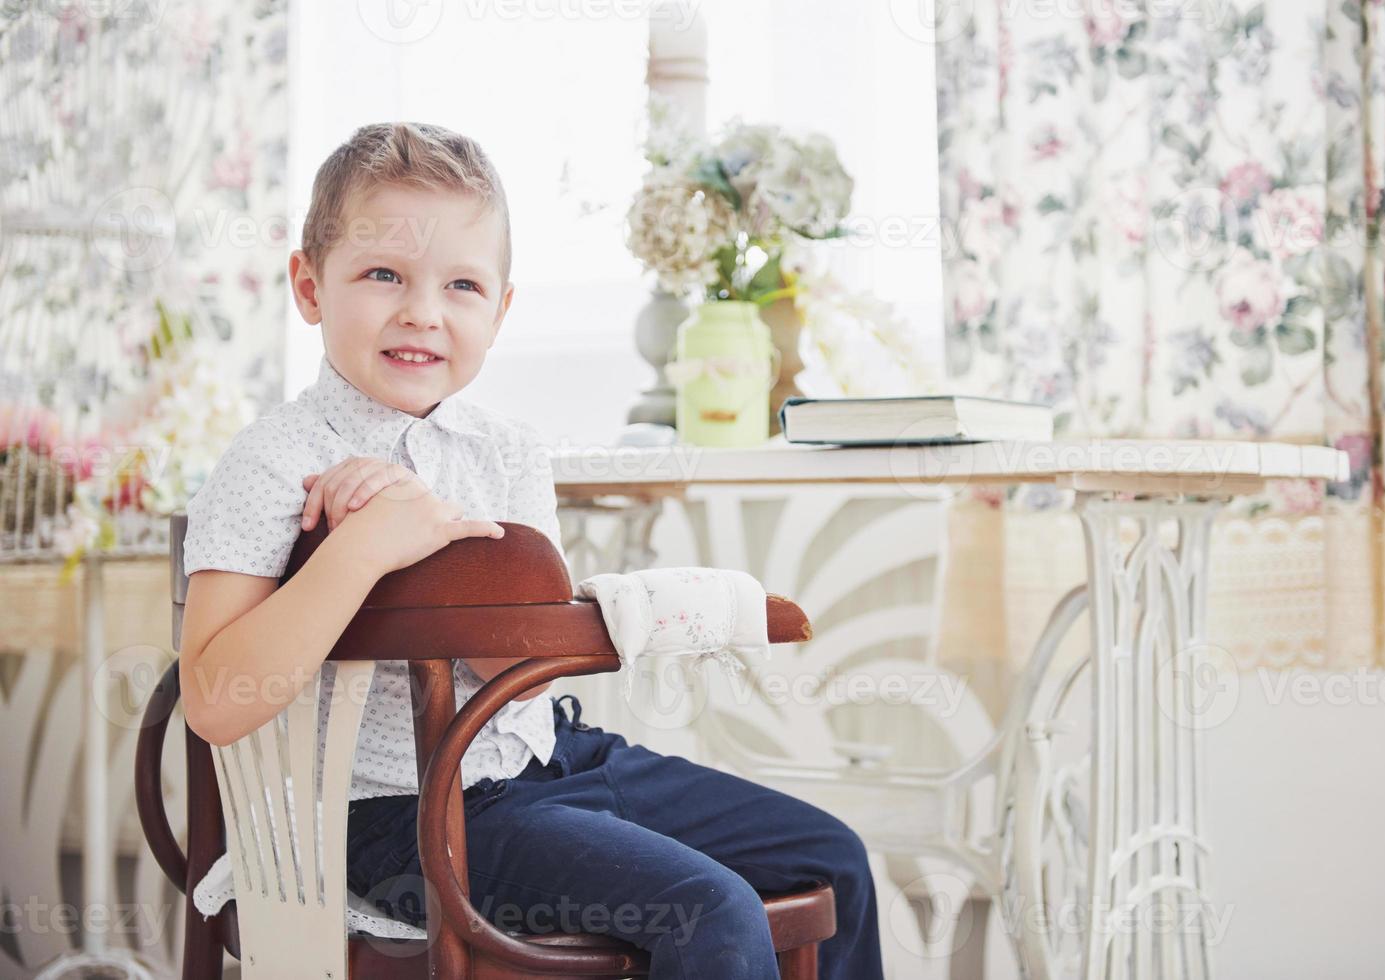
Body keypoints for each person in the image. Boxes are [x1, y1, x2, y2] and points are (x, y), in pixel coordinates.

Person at [178, 121, 883, 979]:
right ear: (308, 285)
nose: (422, 312)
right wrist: (357, 551)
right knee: (712, 909)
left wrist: (427, 522)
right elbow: (215, 702)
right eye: (383, 275)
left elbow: (520, 653)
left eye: (462, 285)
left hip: (555, 760)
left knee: (833, 858)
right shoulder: (272, 463)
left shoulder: (505, 452)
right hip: (395, 815)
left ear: (501, 309)